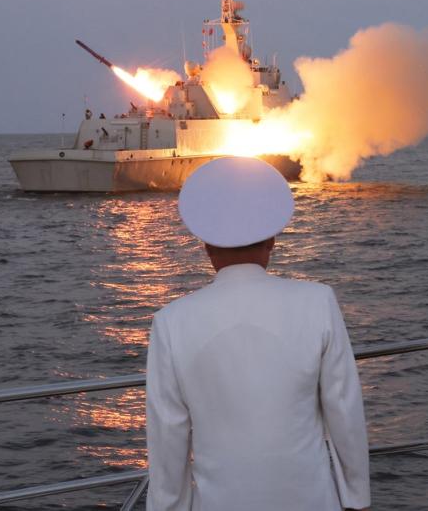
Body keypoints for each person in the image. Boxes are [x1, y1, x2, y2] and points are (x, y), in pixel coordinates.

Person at [146, 156, 371, 511]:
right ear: (273, 241)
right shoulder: (317, 302)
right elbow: (344, 411)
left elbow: (168, 436)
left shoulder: (171, 322)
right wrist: (357, 498)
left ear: (206, 247)